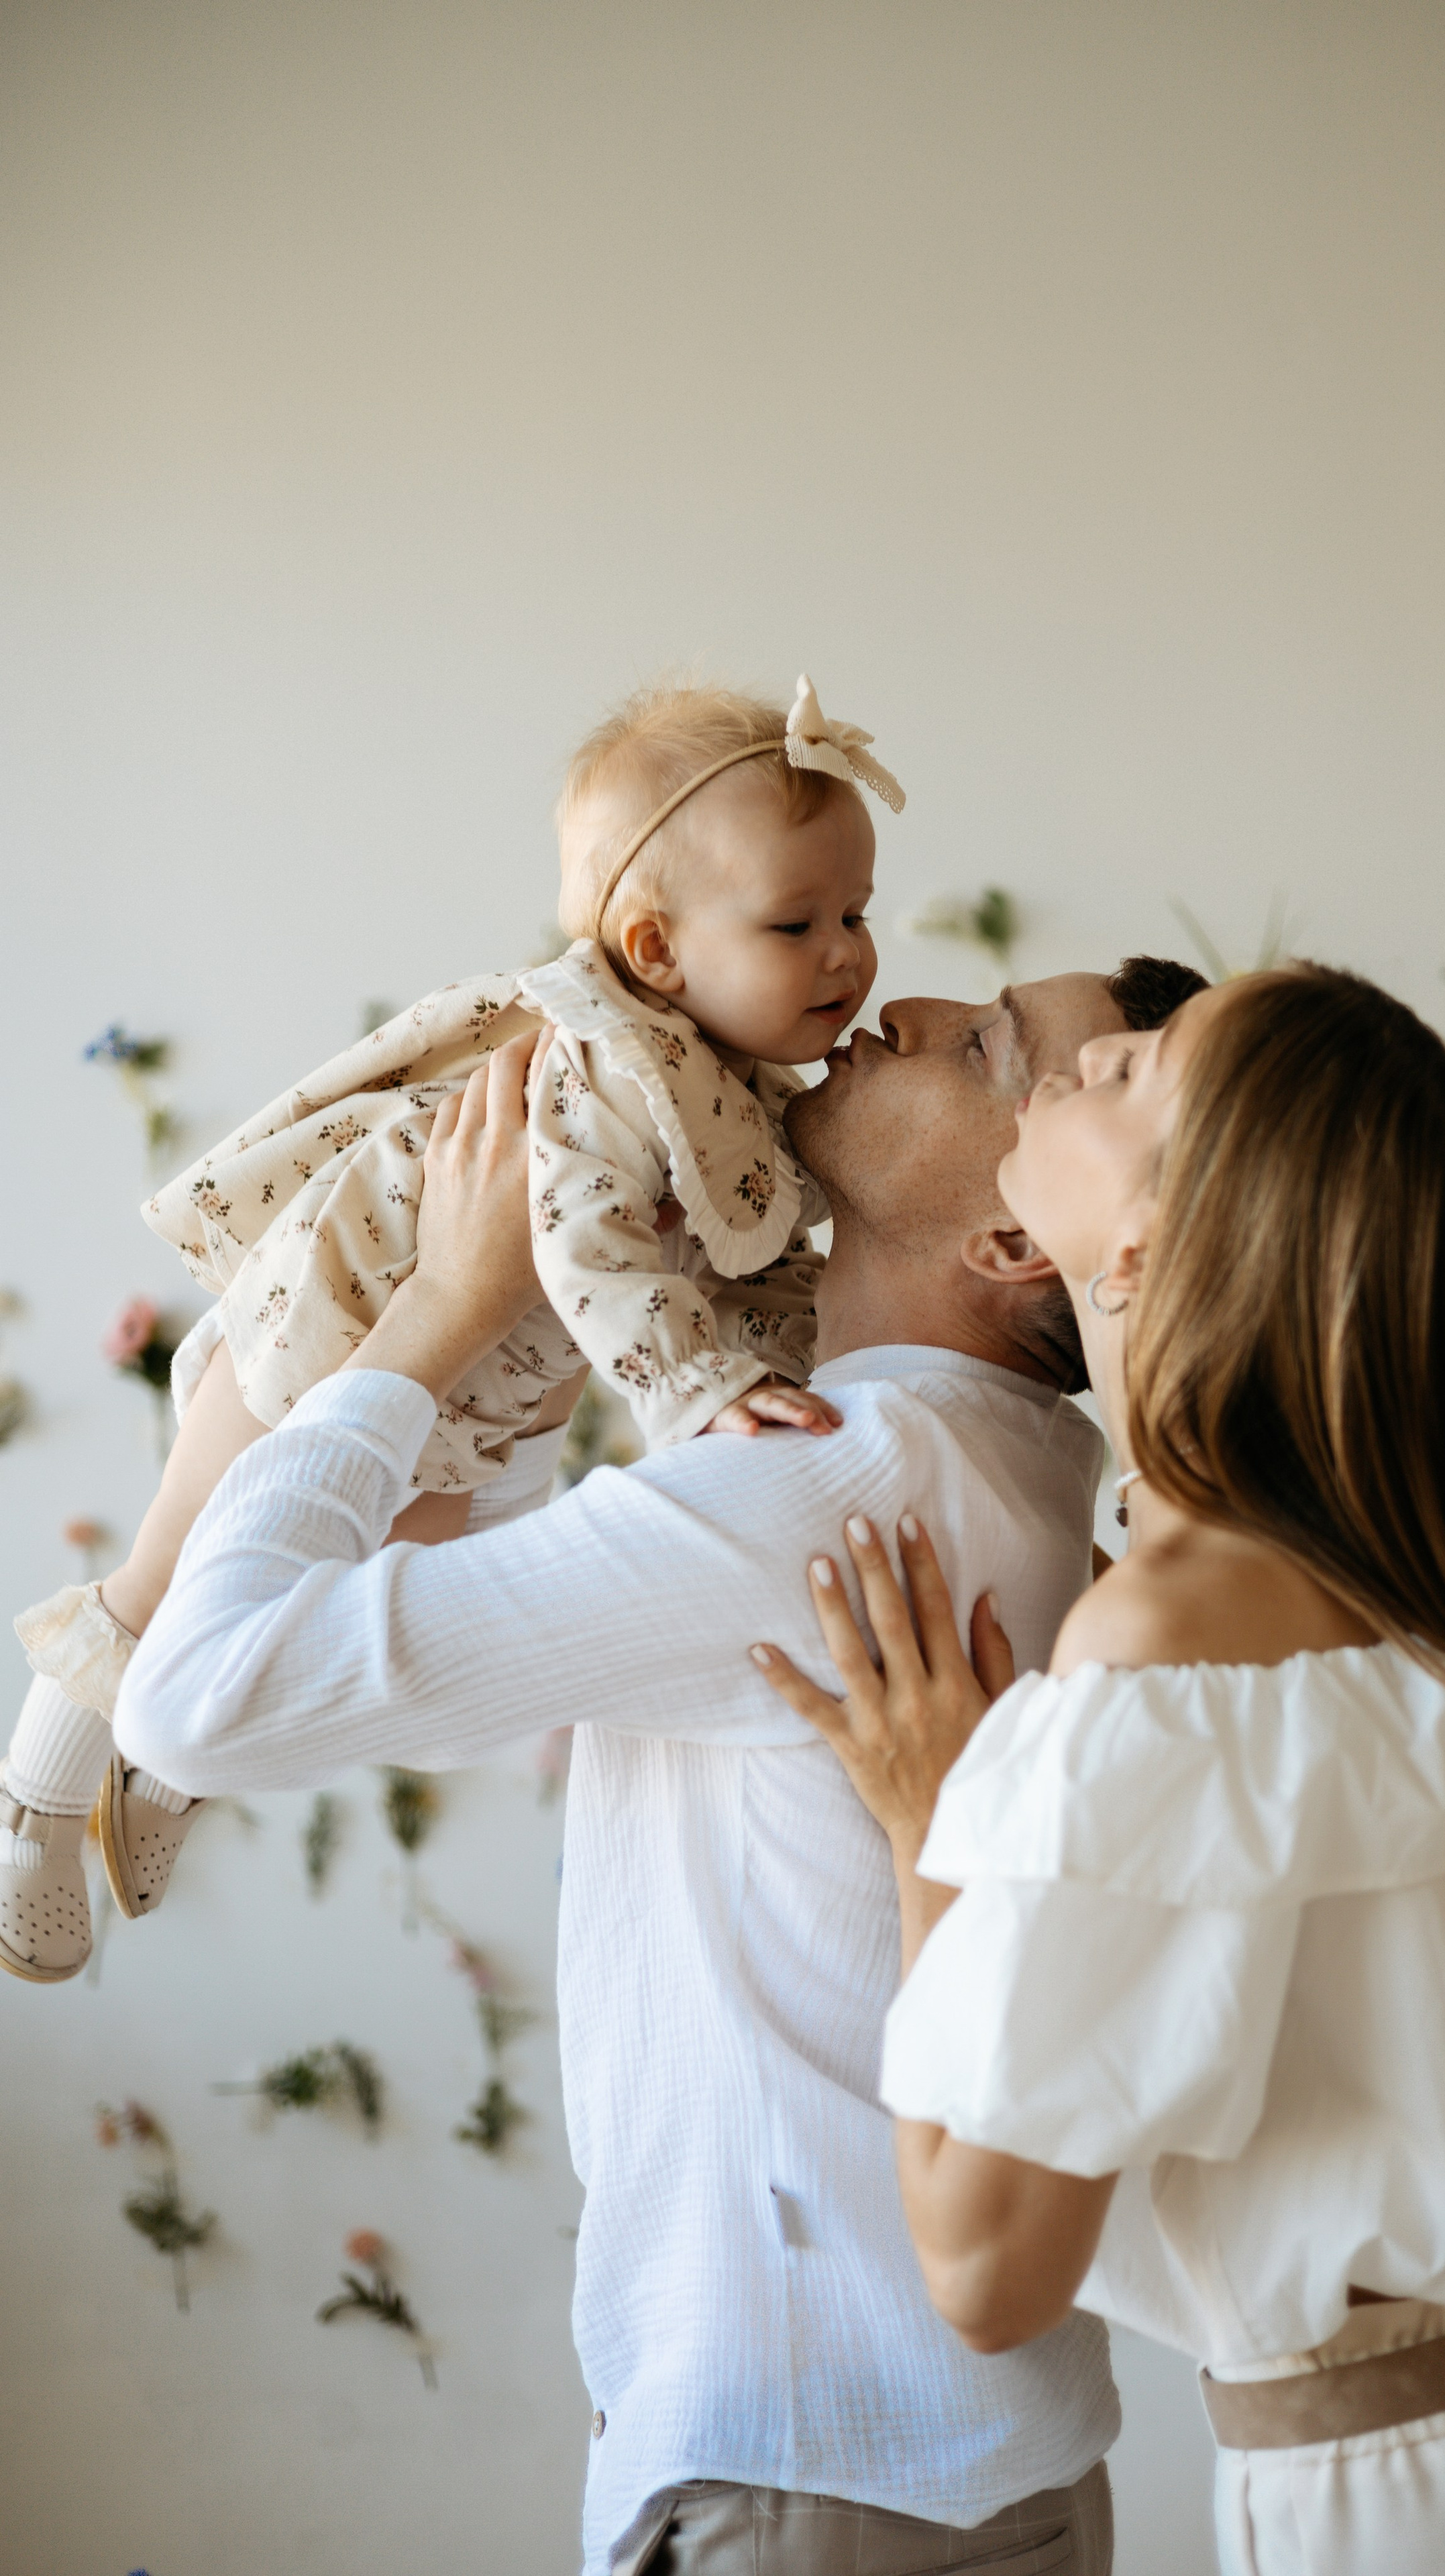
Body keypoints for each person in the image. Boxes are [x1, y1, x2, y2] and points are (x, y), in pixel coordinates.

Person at [111, 953, 1207, 2576]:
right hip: (1008, 2471)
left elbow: (200, 1695)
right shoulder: (1027, 1475)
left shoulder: (825, 1490)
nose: (900, 1009)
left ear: (1011, 1238)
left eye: (981, 1049)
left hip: (803, 2474)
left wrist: (435, 1314)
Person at [755, 963, 1445, 2576]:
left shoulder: (1172, 1647)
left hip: (1439, 2512)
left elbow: (985, 2270)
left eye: (1139, 1071)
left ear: (1150, 1246)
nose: (1087, 1060)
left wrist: (936, 1827)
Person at [3, 674, 897, 1980]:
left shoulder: (736, 1095)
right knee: (161, 1579)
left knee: (339, 1613)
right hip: (327, 1334)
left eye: (857, 913)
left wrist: (786, 1363)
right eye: (797, 922)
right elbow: (587, 1248)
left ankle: (172, 1762)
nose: (848, 954)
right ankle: (31, 1810)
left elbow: (751, 1269)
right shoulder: (606, 1065)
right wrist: (700, 1387)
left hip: (466, 1399)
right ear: (656, 951)